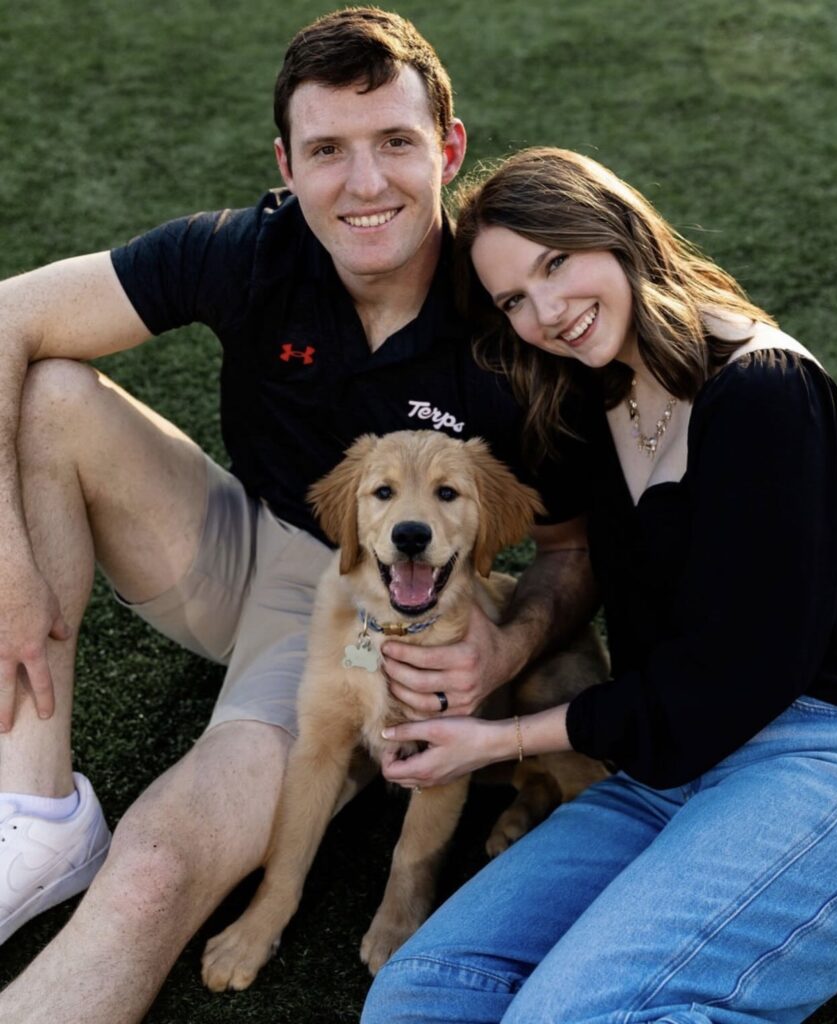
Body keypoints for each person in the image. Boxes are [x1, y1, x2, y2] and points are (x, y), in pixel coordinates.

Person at [0, 15, 597, 1021]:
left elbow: (574, 551)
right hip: (243, 541)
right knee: (52, 393)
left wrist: (504, 649)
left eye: (396, 142)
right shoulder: (253, 251)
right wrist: (8, 559)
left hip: (364, 618)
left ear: (449, 148)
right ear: (287, 163)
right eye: (327, 151)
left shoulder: (515, 322)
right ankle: (35, 807)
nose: (364, 185)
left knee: (156, 871)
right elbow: (7, 314)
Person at [362, 147, 837, 1024]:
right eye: (514, 300)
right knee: (419, 992)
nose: (547, 312)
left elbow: (735, 676)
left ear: (618, 231)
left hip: (818, 750)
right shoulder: (594, 401)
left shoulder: (764, 393)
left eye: (557, 263)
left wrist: (499, 739)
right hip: (664, 767)